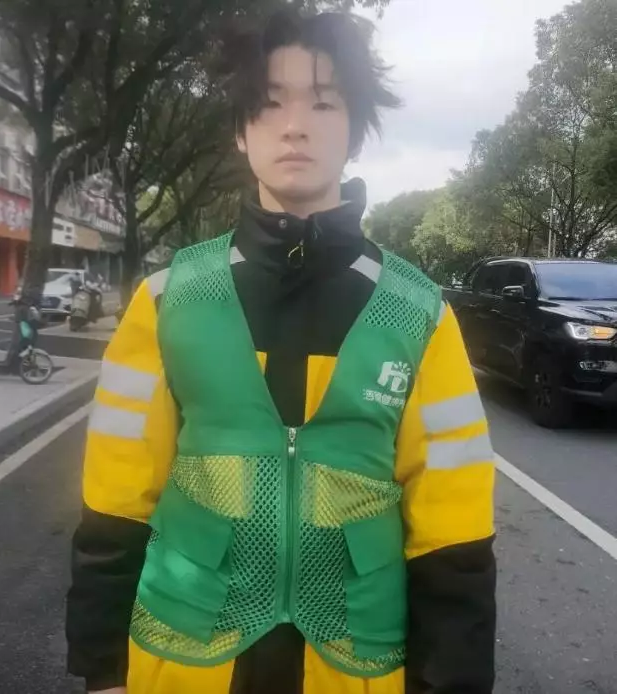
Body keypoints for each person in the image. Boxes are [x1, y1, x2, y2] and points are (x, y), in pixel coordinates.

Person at [66, 9, 496, 694]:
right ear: (241, 131)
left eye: (324, 103)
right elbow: (116, 499)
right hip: (183, 658)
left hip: (357, 666)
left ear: (355, 130)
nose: (295, 126)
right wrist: (102, 670)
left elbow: (455, 528)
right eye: (269, 104)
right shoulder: (167, 301)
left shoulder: (420, 315)